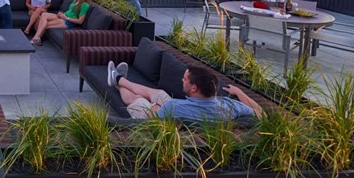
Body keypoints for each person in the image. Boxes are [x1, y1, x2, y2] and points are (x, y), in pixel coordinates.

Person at [106, 63, 263, 120]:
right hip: (185, 110)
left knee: (138, 99)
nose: (182, 80)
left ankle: (118, 84)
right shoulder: (229, 106)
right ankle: (119, 79)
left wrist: (154, 107)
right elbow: (262, 114)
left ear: (194, 88)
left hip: (157, 118)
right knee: (158, 92)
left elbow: (155, 120)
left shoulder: (173, 107)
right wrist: (239, 92)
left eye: (185, 79)